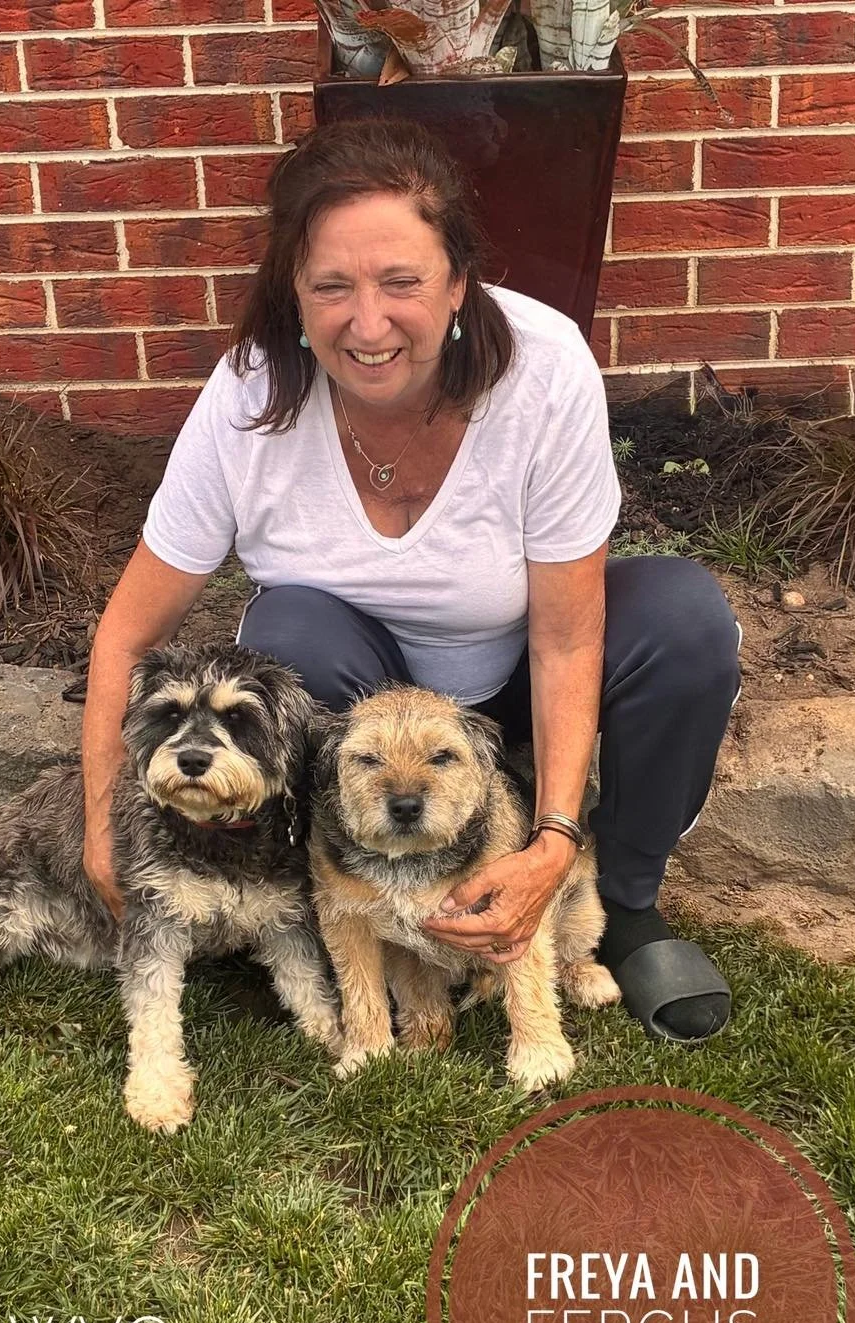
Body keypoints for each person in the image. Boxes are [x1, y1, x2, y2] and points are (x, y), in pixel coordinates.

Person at [82, 118, 737, 1043]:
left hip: (515, 680)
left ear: (459, 282)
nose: (369, 323)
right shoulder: (249, 398)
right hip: (361, 698)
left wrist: (552, 840)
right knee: (290, 630)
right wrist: (105, 827)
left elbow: (565, 637)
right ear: (293, 292)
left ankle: (624, 902)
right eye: (331, 287)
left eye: (402, 282)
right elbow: (129, 635)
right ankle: (344, 889)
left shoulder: (544, 371)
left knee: (683, 620)